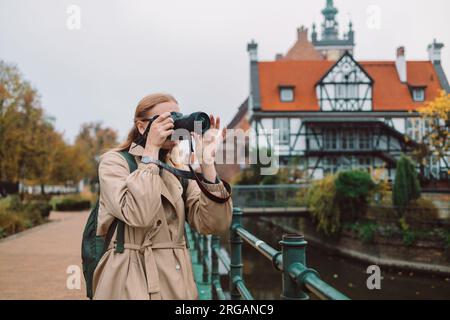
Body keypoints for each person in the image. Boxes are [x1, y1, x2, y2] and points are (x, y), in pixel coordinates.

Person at [92, 93, 232, 300]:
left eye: (177, 118)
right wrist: (151, 152)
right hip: (129, 279)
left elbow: (214, 224)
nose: (173, 126)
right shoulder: (115, 163)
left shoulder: (179, 169)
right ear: (141, 127)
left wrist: (207, 163)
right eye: (165, 120)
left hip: (176, 282)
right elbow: (139, 215)